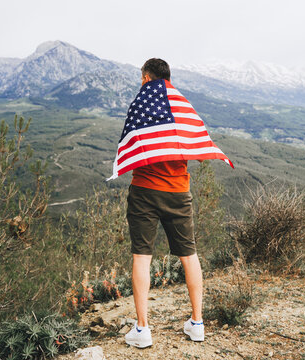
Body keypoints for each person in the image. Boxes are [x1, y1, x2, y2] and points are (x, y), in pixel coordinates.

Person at [124, 58, 204, 349]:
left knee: (141, 257)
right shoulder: (183, 104)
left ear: (147, 78)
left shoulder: (141, 103)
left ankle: (142, 329)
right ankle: (197, 323)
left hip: (144, 189)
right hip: (178, 191)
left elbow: (131, 141)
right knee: (189, 255)